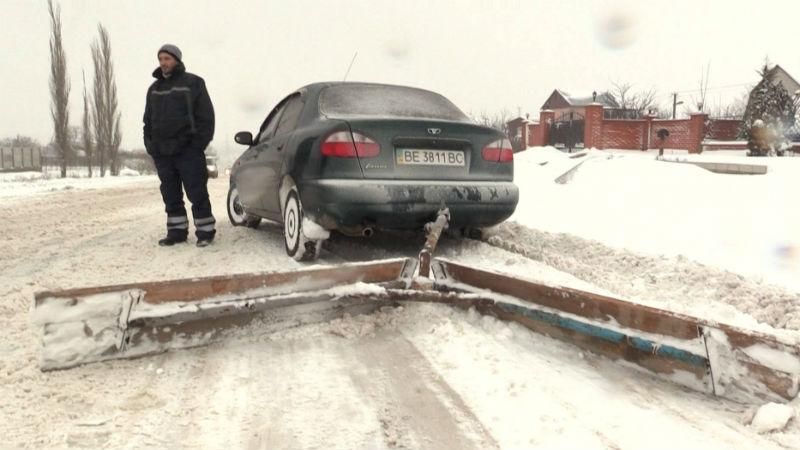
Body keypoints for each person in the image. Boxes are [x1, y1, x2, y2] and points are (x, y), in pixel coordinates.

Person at [143, 44, 216, 247]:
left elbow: (206, 118)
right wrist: (151, 146)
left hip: (188, 152)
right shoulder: (154, 89)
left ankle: (205, 232)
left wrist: (196, 145)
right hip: (163, 154)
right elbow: (147, 121)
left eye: (167, 58)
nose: (163, 63)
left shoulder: (193, 83)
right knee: (170, 194)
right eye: (160, 59)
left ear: (176, 59)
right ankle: (176, 232)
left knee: (197, 192)